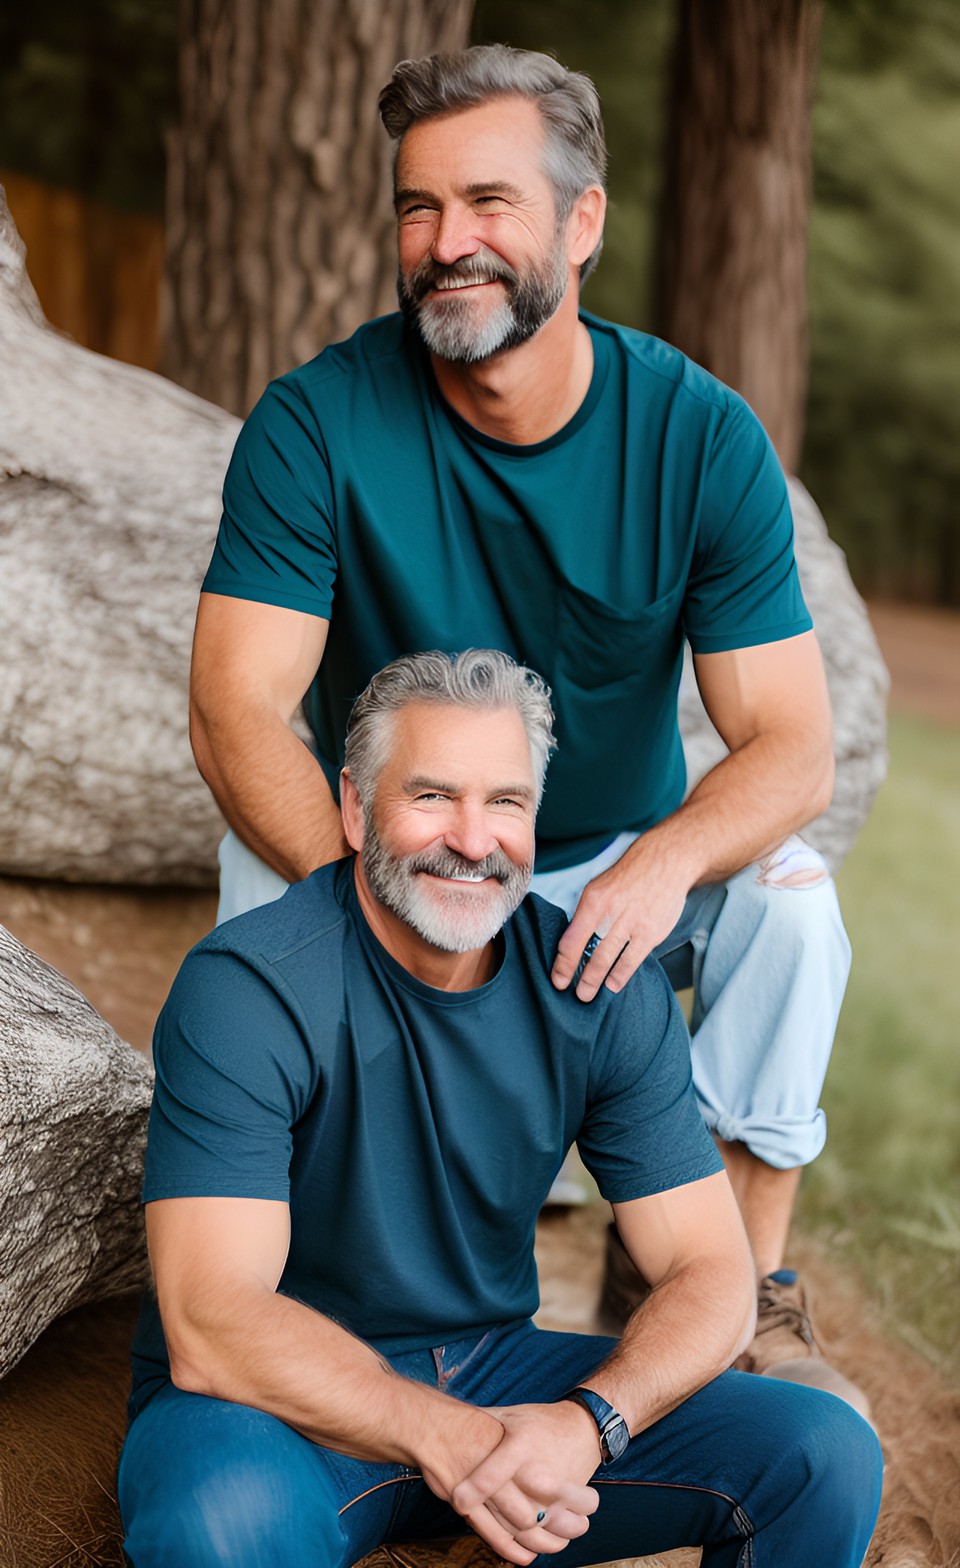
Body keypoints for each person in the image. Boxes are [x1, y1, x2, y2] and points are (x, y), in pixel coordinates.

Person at [189, 44, 853, 1388]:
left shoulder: (699, 437)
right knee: (260, 882)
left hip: (606, 857)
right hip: (395, 842)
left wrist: (668, 861)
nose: (448, 243)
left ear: (583, 220)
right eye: (418, 207)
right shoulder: (315, 424)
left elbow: (794, 742)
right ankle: (302, 1283)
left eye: (490, 203)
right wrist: (358, 897)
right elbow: (235, 710)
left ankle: (736, 1299)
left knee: (791, 905)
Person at [119, 650, 881, 1568]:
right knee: (219, 1526)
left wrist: (588, 1425)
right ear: (356, 809)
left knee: (822, 1451)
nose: (474, 840)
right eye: (432, 797)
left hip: (497, 1377)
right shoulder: (248, 988)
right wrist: (452, 1438)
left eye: (507, 803)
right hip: (274, 1410)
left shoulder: (596, 986)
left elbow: (712, 1272)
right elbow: (211, 1321)